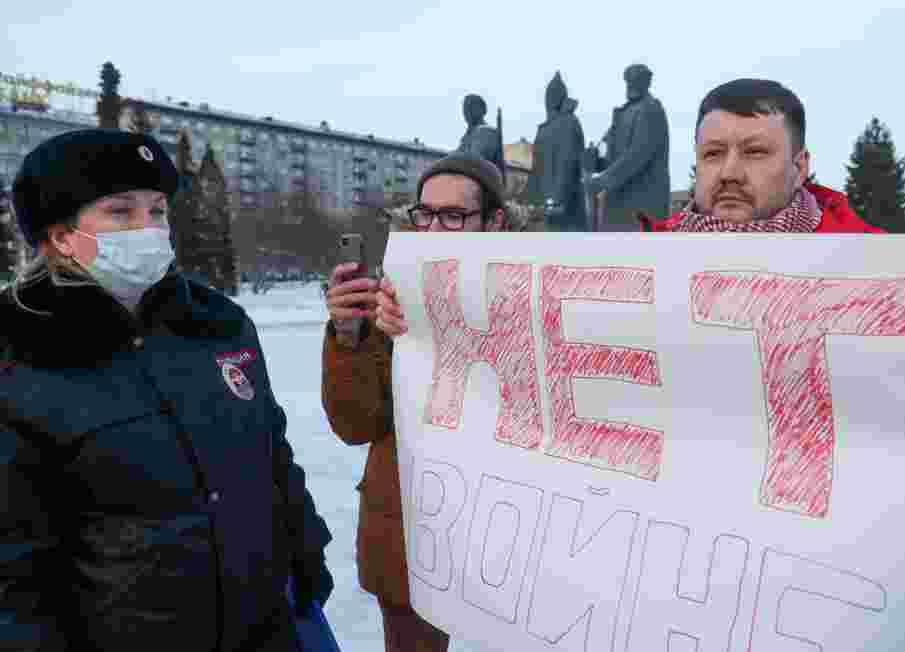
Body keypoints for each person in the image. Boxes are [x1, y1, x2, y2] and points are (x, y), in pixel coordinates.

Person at [376, 80, 905, 550]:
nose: (730, 172)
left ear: (801, 166)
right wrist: (430, 323)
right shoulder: (635, 278)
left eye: (756, 152)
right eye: (713, 155)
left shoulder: (886, 284)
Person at [0, 129, 333, 651]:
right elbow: (12, 559)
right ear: (61, 234)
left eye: (157, 211)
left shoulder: (219, 324)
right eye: (119, 211)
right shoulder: (17, 351)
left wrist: (306, 553)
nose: (147, 228)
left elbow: (272, 457)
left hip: (266, 628)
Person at [321, 154, 506, 652]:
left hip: (513, 532)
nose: (433, 227)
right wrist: (349, 334)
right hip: (408, 535)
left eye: (453, 216)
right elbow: (356, 424)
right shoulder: (389, 295)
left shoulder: (533, 291)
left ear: (494, 222)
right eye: (424, 214)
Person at [586, 63, 671, 232]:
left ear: (646, 82)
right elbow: (612, 157)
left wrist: (602, 180)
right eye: (629, 81)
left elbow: (638, 154)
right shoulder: (624, 113)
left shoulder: (651, 109)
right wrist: (595, 160)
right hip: (619, 203)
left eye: (636, 80)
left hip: (642, 203)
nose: (631, 84)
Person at [528, 71, 588, 232]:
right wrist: (529, 200)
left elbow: (567, 165)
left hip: (567, 209)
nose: (548, 99)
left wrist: (557, 201)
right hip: (546, 208)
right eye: (547, 95)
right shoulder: (543, 130)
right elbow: (536, 169)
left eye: (552, 95)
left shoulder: (570, 123)